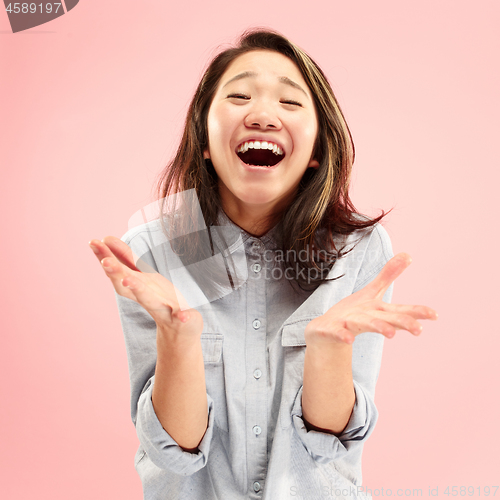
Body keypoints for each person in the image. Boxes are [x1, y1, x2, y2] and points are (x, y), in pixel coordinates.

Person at [89, 29, 438, 500]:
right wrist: (178, 334)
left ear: (315, 151)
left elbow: (329, 444)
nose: (262, 114)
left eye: (290, 103)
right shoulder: (150, 252)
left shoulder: (359, 248)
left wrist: (328, 347)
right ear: (206, 141)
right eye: (238, 95)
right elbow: (174, 453)